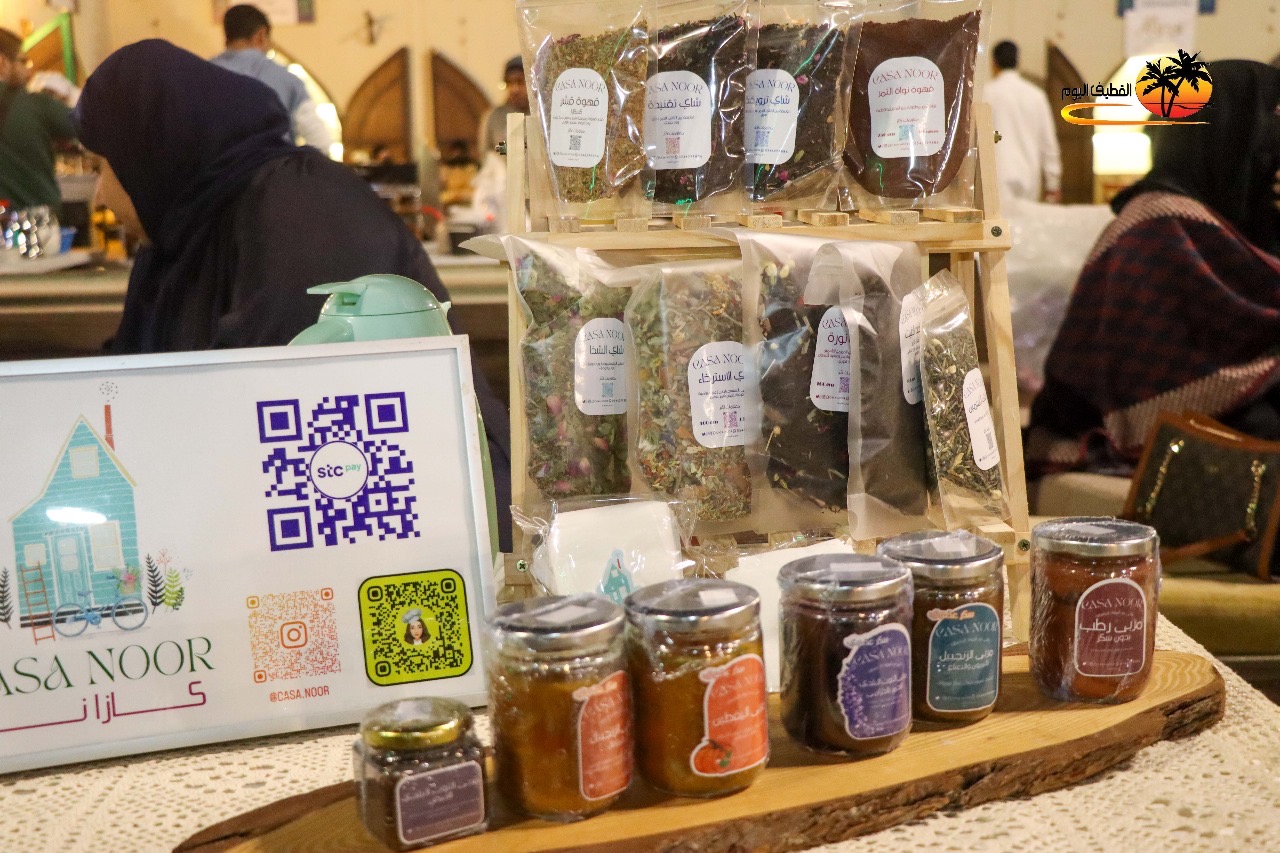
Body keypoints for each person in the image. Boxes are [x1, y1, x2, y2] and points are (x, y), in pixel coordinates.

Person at [73, 39, 513, 549]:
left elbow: (284, 423)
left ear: (150, 151)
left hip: (412, 540)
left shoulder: (299, 210)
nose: (100, 195)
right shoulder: (186, 233)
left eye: (101, 167)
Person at [1027, 60, 1280, 476]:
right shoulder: (1157, 223)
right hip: (1131, 414)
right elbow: (1164, 370)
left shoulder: (1238, 212)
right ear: (1232, 128)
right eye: (1273, 116)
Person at [210, 4, 333, 154]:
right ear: (261, 35)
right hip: (272, 165)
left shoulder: (203, 75)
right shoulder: (286, 79)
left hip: (215, 167)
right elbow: (320, 142)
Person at [0, 28, 76, 213]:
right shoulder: (35, 104)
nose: (28, 70)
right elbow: (89, 127)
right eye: (22, 61)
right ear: (2, 62)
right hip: (35, 219)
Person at [986, 40, 1062, 205]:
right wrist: (1053, 183)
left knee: (999, 220)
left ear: (993, 63)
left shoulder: (987, 93)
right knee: (1025, 220)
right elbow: (1048, 141)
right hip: (1029, 174)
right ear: (1017, 61)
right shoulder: (1036, 95)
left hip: (996, 173)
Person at [478, 56, 527, 158]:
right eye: (510, 83)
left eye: (520, 82)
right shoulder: (494, 117)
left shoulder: (543, 116)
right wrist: (509, 149)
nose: (514, 89)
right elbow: (487, 152)